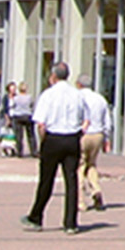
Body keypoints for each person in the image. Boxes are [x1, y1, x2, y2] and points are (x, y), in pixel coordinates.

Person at [21, 62, 87, 235]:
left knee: (46, 179)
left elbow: (40, 123)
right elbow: (85, 119)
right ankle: (70, 222)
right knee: (71, 180)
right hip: (72, 138)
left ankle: (36, 217)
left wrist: (43, 141)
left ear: (53, 76)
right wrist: (79, 133)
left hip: (53, 138)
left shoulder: (48, 95)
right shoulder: (77, 95)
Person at [77, 75, 112, 213]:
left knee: (79, 167)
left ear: (78, 84)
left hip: (83, 134)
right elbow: (107, 121)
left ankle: (80, 201)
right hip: (97, 134)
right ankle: (96, 191)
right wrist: (106, 138)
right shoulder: (100, 99)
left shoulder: (77, 97)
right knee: (91, 164)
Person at [7, 81, 38, 159]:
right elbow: (32, 106)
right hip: (27, 116)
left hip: (18, 116)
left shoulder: (16, 98)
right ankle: (33, 151)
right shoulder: (29, 97)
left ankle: (19, 152)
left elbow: (11, 106)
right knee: (31, 135)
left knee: (19, 135)